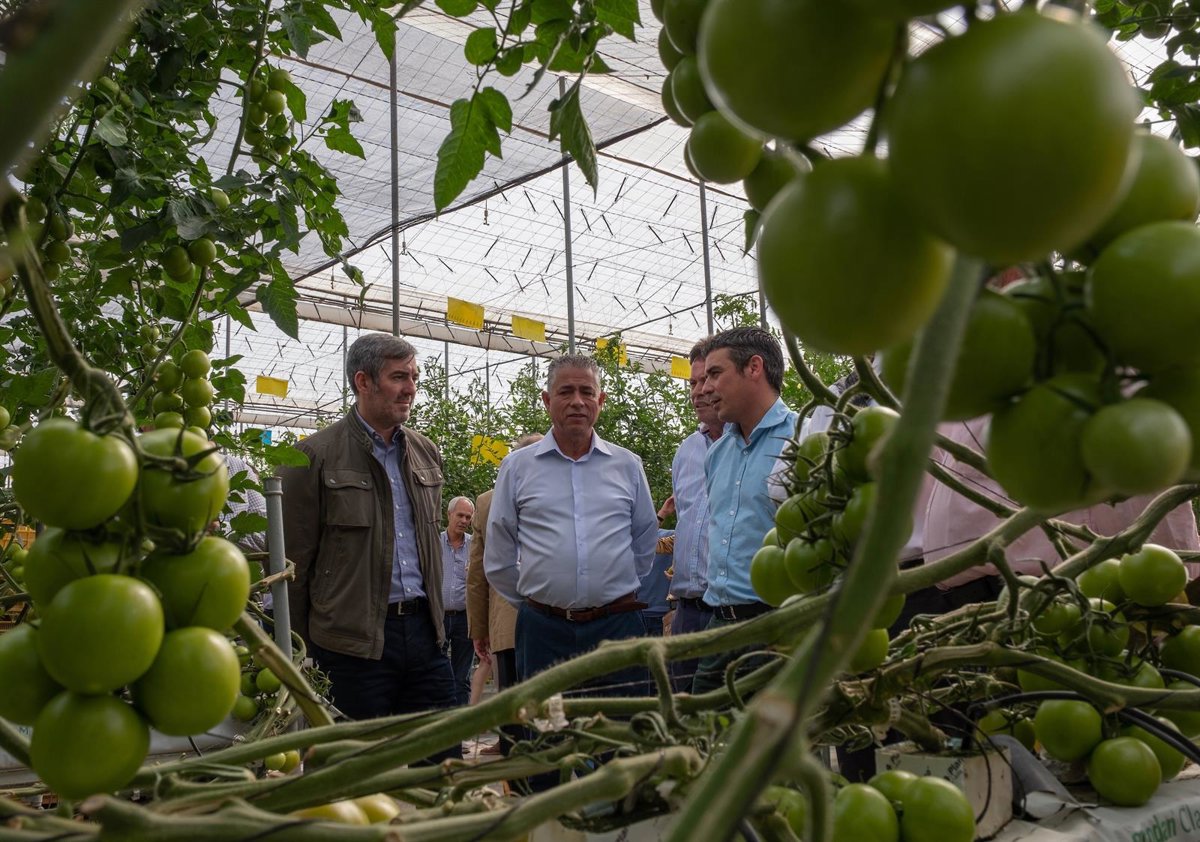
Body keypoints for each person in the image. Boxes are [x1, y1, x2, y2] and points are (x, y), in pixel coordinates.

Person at [279, 333, 458, 749]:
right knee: (352, 768)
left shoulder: (425, 452)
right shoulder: (312, 456)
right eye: (398, 377)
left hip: (425, 635)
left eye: (414, 377)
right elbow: (293, 565)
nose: (410, 388)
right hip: (350, 647)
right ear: (363, 381)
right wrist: (301, 650)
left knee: (441, 760)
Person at [484, 354, 658, 688]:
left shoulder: (627, 465)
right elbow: (499, 553)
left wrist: (611, 590)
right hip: (543, 632)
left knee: (622, 718)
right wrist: (539, 602)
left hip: (617, 627)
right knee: (545, 721)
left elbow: (644, 539)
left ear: (600, 401)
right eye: (565, 392)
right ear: (547, 400)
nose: (577, 401)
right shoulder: (518, 467)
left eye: (587, 392)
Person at [692, 327, 798, 695]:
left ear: (754, 368)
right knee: (702, 728)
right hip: (720, 626)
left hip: (779, 628)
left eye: (715, 374)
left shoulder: (803, 439)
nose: (705, 388)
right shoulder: (717, 454)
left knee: (775, 731)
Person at [466, 432, 543, 757]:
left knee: (511, 692)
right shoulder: (567, 490)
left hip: (506, 619)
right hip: (561, 615)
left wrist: (479, 629)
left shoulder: (487, 501)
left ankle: (512, 753)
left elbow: (478, 573)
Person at [665, 339, 724, 691]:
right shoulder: (686, 451)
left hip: (731, 611)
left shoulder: (752, 442)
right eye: (692, 382)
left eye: (707, 380)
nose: (698, 391)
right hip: (687, 612)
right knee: (684, 710)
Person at [442, 495, 475, 707]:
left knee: (462, 677)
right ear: (449, 514)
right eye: (460, 515)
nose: (464, 521)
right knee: (436, 673)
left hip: (465, 618)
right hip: (438, 617)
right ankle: (439, 718)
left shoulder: (475, 546)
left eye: (468, 517)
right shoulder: (433, 543)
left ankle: (461, 719)